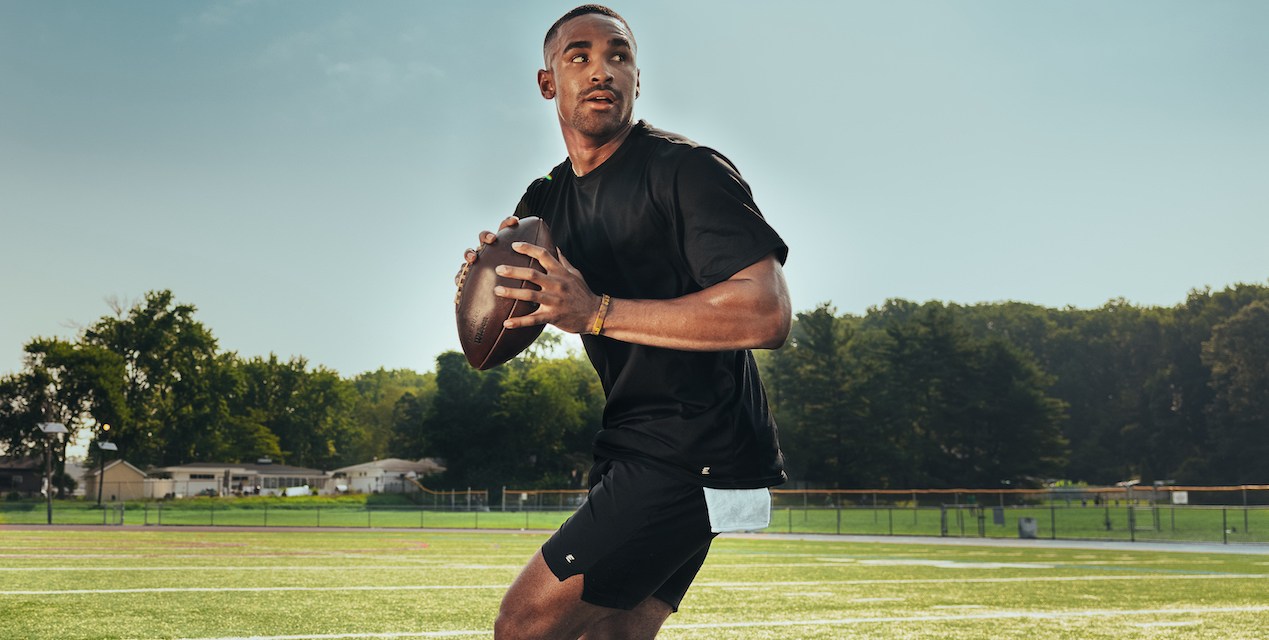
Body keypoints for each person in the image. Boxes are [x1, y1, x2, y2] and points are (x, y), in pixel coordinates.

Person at [462, 5, 791, 638]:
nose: (601, 70)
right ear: (547, 82)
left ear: (638, 78)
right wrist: (488, 285)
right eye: (578, 57)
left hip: (697, 446)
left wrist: (597, 311)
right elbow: (519, 305)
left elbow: (767, 312)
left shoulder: (686, 169)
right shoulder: (545, 201)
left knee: (524, 624)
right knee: (610, 634)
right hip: (635, 440)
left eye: (619, 56)